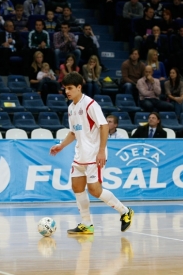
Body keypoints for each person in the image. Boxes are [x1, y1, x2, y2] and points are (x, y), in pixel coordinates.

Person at [49, 72, 134, 234]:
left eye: (70, 88)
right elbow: (73, 132)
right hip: (80, 155)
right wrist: (61, 146)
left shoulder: (90, 104)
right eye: (65, 88)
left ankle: (125, 211)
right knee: (77, 187)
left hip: (94, 154)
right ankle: (86, 223)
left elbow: (104, 126)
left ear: (79, 87)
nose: (67, 91)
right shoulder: (71, 108)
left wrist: (101, 151)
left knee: (95, 190)